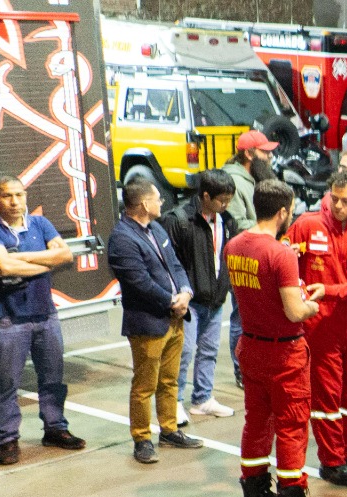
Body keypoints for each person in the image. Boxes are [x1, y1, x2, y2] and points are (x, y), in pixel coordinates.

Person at [230, 179, 330, 497]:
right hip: (283, 352)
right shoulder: (281, 253)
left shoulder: (234, 245)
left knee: (256, 422)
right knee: (291, 425)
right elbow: (293, 311)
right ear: (284, 211)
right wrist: (311, 306)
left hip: (250, 346)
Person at [0, 176, 85, 466]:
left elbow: (65, 255)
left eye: (19, 195)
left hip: (45, 313)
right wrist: (45, 261)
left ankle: (55, 428)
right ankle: (8, 438)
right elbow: (3, 264)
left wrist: (21, 259)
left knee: (52, 377)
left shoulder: (40, 223)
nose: (15, 202)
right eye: (7, 196)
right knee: (7, 381)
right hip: (7, 318)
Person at [287, 168, 347, 486]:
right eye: (334, 198)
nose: (338, 206)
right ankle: (331, 461)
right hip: (318, 325)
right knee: (327, 394)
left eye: (346, 201)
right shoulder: (305, 226)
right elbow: (287, 267)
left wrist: (329, 291)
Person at [108, 178, 203, 464]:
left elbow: (175, 264)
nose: (162, 202)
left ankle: (169, 430)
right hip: (148, 322)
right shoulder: (122, 238)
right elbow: (139, 282)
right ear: (144, 204)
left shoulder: (156, 228)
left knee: (170, 380)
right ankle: (141, 438)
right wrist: (170, 301)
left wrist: (185, 292)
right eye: (157, 198)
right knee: (144, 385)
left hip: (174, 318)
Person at [161, 168, 237, 423]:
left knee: (209, 351)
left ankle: (203, 398)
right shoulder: (179, 220)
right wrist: (179, 295)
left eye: (229, 199)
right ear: (205, 196)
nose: (226, 205)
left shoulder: (227, 221)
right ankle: (175, 402)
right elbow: (169, 263)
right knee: (184, 353)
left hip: (215, 299)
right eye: (221, 200)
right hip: (189, 302)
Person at [223, 130, 278, 385]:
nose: (269, 156)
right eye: (264, 151)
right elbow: (234, 223)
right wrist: (267, 224)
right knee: (240, 316)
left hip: (262, 253)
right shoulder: (234, 182)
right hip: (243, 256)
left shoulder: (256, 176)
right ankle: (240, 370)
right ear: (248, 153)